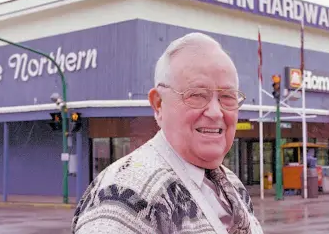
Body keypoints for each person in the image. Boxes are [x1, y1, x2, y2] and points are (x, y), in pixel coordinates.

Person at [71, 32, 264, 234]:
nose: (216, 112)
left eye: (227, 96)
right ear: (159, 104)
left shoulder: (231, 183)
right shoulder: (124, 196)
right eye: (197, 95)